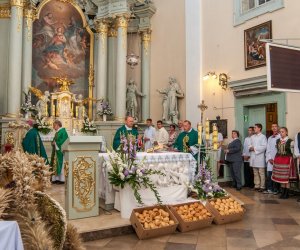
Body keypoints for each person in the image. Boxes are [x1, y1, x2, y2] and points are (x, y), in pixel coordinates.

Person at [272, 127, 297, 199]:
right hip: (279, 160)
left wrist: (292, 160)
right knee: (281, 178)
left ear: (286, 132)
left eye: (282, 132)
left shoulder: (290, 141)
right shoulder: (277, 141)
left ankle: (287, 193)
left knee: (286, 178)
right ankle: (283, 192)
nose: (281, 133)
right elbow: (277, 151)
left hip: (287, 161)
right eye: (280, 132)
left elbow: (293, 153)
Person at [249, 123, 267, 192]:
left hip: (260, 157)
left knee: (261, 173)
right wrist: (250, 148)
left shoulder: (263, 137)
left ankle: (262, 186)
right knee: (255, 172)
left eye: (255, 127)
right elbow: (250, 145)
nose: (254, 129)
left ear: (259, 128)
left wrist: (254, 149)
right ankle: (257, 185)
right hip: (253, 156)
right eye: (254, 128)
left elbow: (264, 146)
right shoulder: (252, 137)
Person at [264, 123, 281, 194]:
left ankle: (276, 189)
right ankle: (269, 189)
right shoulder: (270, 138)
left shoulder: (280, 137)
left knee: (276, 175)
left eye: (275, 126)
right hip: (270, 159)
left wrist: (275, 159)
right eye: (272, 126)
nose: (274, 128)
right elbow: (267, 149)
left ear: (278, 128)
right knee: (269, 175)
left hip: (277, 159)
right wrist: (269, 158)